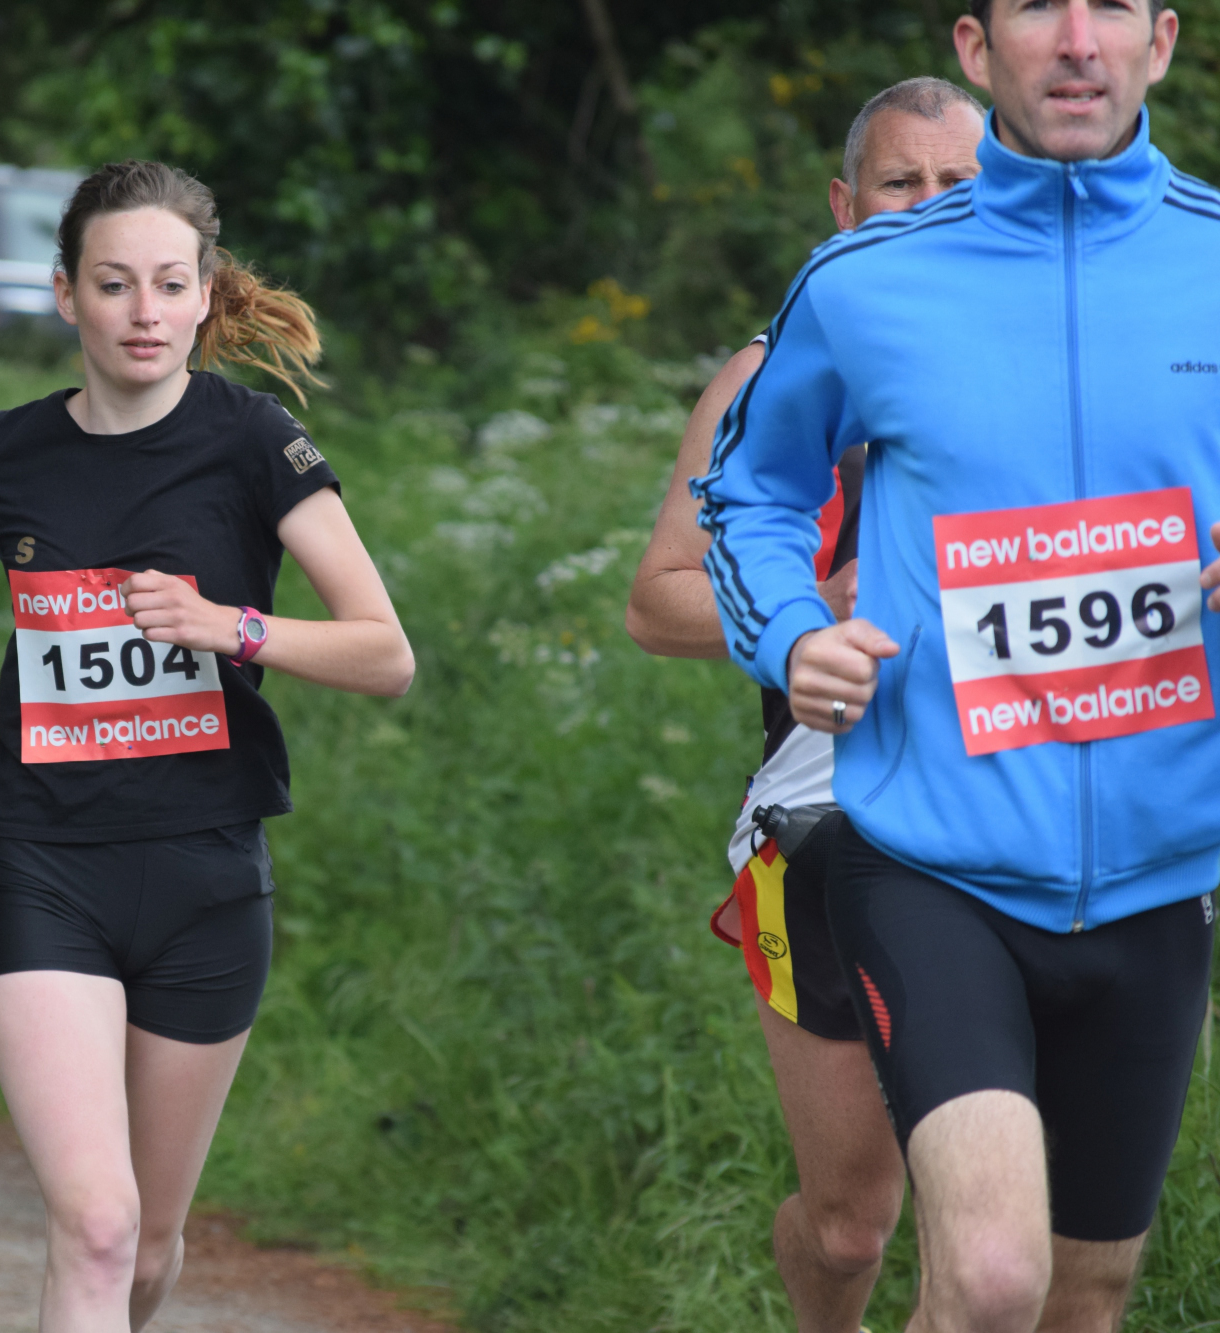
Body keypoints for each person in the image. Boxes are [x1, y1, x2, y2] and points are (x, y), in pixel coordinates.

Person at [695, 4, 1216, 1330]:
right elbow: (749, 491)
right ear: (980, 51)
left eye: (1110, 10)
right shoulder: (863, 281)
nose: (1078, 40)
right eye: (1041, 8)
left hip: (1158, 872)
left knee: (1084, 1295)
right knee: (989, 1276)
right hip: (933, 856)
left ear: (1160, 43)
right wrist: (789, 631)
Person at [0, 160, 415, 1331]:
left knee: (144, 1248)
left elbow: (384, 652)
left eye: (169, 284)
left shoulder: (254, 443)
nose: (143, 310)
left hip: (203, 875)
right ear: (65, 294)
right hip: (40, 865)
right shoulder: (2, 453)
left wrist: (229, 626)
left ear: (202, 296)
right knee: (94, 1222)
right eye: (113, 283)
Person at [628, 77, 985, 1333]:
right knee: (847, 1224)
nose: (929, 208)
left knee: (985, 1224)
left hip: (1013, 805)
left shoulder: (1067, 359)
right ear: (844, 207)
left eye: (959, 184)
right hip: (821, 814)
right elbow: (657, 599)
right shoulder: (766, 375)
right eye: (900, 183)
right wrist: (797, 619)